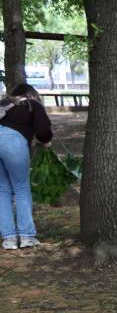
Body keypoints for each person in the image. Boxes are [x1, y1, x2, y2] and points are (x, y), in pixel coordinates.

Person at [0, 84, 53, 250]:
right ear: (31, 94)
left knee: (2, 190)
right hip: (14, 142)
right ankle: (26, 236)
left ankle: (8, 238)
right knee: (21, 188)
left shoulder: (3, 103)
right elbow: (43, 130)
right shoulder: (32, 104)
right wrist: (45, 141)